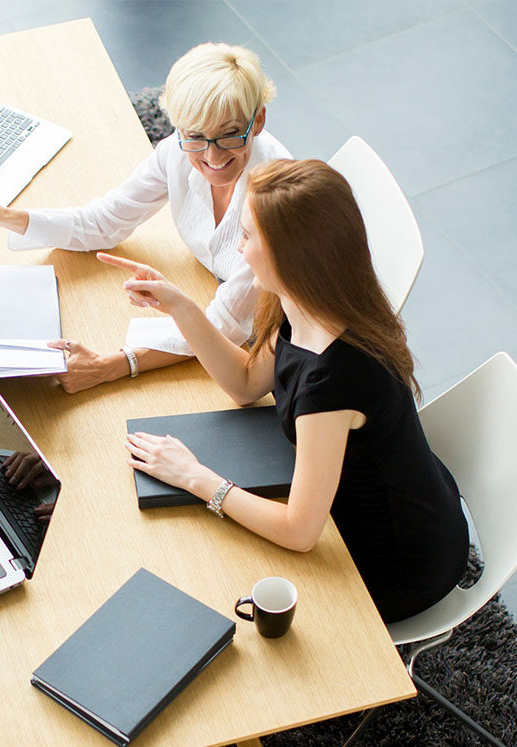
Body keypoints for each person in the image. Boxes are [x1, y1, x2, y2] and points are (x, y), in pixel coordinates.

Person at [110, 159, 469, 624]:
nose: (238, 250)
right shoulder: (302, 301)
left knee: (211, 574)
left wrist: (195, 478)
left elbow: (300, 532)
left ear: (288, 253)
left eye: (247, 236)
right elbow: (245, 384)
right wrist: (178, 305)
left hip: (395, 562)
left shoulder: (333, 379)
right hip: (381, 498)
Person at [0, 42, 290, 393]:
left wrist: (112, 365)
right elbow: (104, 222)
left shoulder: (275, 204)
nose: (212, 155)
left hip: (271, 333)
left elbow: (224, 326)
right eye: (195, 135)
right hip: (209, 291)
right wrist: (7, 216)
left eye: (229, 134)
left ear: (257, 120)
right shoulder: (177, 152)